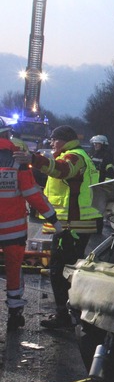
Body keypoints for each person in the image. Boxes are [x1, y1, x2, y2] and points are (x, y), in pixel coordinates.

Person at [13, 125, 102, 329]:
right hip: (73, 225)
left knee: (59, 270)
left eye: (54, 139)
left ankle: (66, 316)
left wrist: (34, 159)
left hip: (72, 225)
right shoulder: (78, 155)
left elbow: (62, 170)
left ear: (64, 140)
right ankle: (72, 313)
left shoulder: (74, 157)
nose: (51, 143)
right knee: (68, 270)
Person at [0, 119, 61, 331]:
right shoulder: (18, 161)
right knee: (14, 270)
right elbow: (32, 195)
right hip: (13, 231)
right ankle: (15, 312)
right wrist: (53, 219)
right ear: (8, 135)